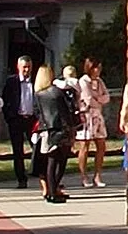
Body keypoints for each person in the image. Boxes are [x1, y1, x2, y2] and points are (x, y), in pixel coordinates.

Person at [32, 62, 76, 204]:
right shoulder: (56, 92)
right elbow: (65, 111)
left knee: (50, 162)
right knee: (60, 162)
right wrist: (70, 128)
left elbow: (36, 112)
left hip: (45, 130)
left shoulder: (38, 94)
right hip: (59, 129)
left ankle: (51, 192)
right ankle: (54, 190)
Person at [75, 59, 111, 188]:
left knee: (101, 145)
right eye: (96, 68)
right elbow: (88, 99)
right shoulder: (83, 81)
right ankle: (84, 175)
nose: (98, 71)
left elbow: (107, 96)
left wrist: (99, 99)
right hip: (86, 116)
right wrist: (98, 100)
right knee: (85, 146)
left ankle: (97, 175)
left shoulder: (100, 81)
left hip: (97, 116)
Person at [6, 51, 36, 189]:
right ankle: (21, 179)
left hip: (32, 120)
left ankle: (40, 174)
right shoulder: (11, 81)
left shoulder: (35, 82)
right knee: (18, 151)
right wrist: (10, 117)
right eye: (24, 67)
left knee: (38, 148)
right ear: (18, 67)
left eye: (29, 67)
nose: (26, 70)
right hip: (17, 119)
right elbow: (6, 100)